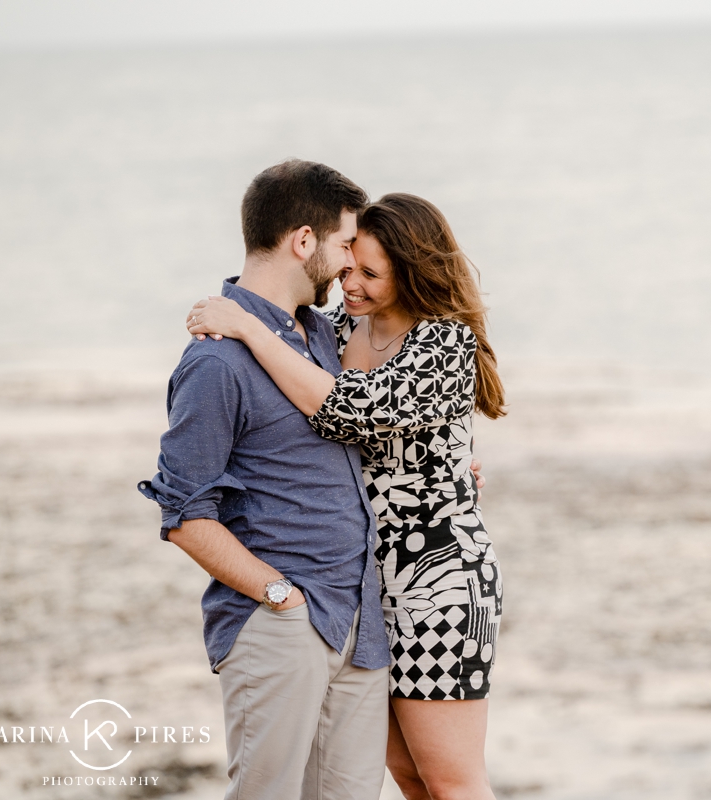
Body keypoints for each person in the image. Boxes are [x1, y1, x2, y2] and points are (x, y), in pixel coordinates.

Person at [186, 192, 505, 800]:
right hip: (359, 588)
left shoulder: (443, 342)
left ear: (414, 272)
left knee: (452, 780)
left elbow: (345, 410)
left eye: (371, 275)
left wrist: (246, 325)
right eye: (349, 265)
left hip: (437, 581)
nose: (349, 283)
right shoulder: (333, 331)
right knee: (408, 775)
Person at [138, 159, 392, 800]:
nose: (347, 264)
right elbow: (184, 514)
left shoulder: (325, 340)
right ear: (303, 241)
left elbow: (375, 416)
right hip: (284, 623)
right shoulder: (216, 363)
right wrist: (279, 596)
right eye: (342, 245)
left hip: (359, 626)